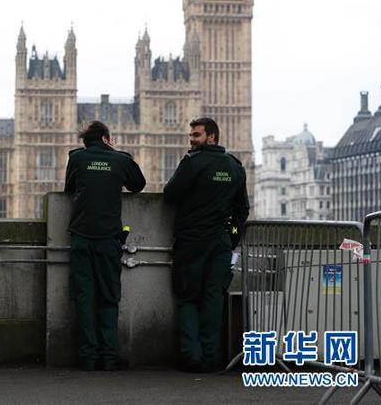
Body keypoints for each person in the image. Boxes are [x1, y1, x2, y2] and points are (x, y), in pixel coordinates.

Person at [163, 117, 249, 373]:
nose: (191, 139)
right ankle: (211, 358)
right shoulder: (234, 166)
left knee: (188, 297)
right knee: (213, 299)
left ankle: (192, 356)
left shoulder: (193, 162)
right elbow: (242, 210)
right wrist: (232, 237)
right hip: (220, 242)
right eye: (191, 135)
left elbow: (170, 195)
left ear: (211, 137)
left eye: (196, 135)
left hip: (192, 241)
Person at [64, 120, 146, 371]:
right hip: (109, 238)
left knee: (83, 297)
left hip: (81, 237)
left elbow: (69, 188)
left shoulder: (77, 158)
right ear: (106, 138)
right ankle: (110, 356)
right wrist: (114, 153)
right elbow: (138, 185)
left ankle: (88, 357)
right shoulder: (120, 160)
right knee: (109, 297)